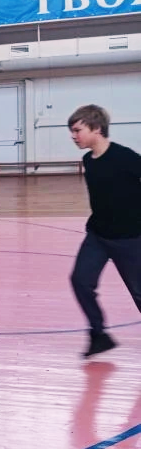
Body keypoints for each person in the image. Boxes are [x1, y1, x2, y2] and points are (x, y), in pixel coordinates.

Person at [68, 104, 141, 358]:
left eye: (77, 130)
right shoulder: (88, 160)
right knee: (80, 281)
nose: (73, 136)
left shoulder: (124, 157)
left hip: (130, 238)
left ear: (96, 128)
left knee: (139, 292)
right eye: (72, 131)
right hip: (98, 236)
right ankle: (99, 336)